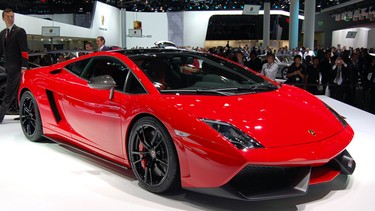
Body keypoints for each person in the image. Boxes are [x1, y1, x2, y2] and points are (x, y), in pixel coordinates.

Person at [0, 8, 29, 123]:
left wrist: (24, 67)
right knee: (18, 92)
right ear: (3, 18)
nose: (11, 19)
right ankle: (24, 114)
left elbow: (24, 51)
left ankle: (0, 116)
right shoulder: (2, 33)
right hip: (9, 68)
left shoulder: (19, 31)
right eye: (8, 17)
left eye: (12, 16)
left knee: (8, 92)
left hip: (17, 69)